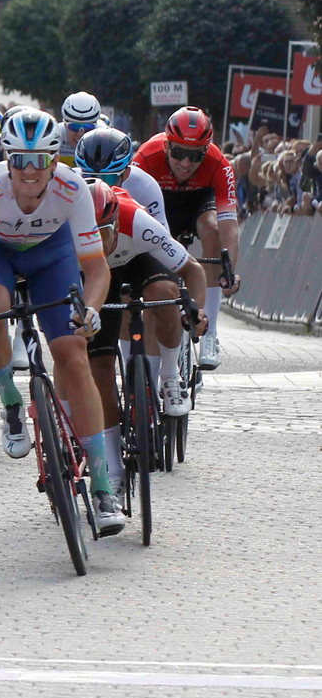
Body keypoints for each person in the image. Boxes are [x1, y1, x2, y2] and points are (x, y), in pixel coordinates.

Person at [0, 110, 122, 535]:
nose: (29, 171)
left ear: (53, 160)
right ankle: (9, 399)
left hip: (51, 254)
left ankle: (102, 488)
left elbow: (97, 269)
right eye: (20, 161)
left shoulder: (71, 187)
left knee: (72, 353)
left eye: (40, 160)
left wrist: (93, 308)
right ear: (6, 160)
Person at [83, 179, 207, 501]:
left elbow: (192, 270)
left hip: (137, 260)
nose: (100, 243)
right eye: (90, 236)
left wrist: (196, 314)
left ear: (115, 223)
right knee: (100, 371)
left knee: (166, 295)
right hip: (94, 276)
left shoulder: (136, 221)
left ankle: (169, 374)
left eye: (105, 234)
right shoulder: (66, 231)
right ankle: (112, 467)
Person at [131, 106, 240, 370]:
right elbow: (130, 213)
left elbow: (230, 225)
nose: (186, 163)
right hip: (158, 203)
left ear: (206, 152)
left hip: (197, 203)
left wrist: (228, 270)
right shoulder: (146, 155)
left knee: (212, 228)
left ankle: (210, 332)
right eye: (179, 153)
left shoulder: (220, 164)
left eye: (195, 156)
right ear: (167, 146)